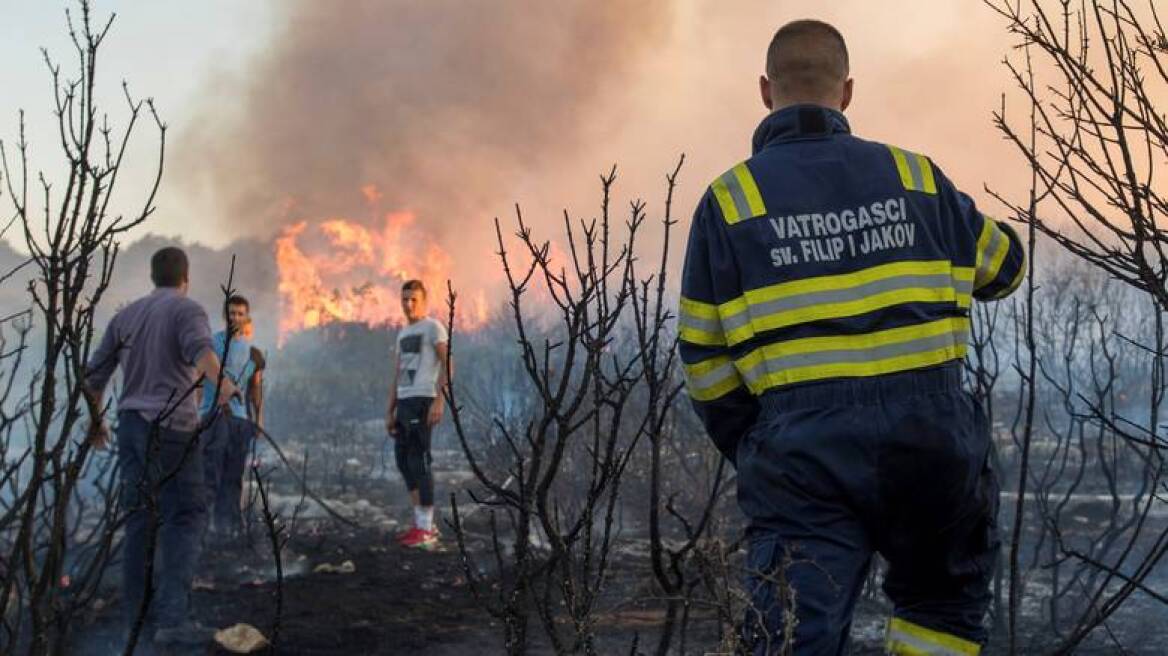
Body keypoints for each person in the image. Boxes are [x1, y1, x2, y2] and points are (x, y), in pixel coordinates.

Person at [677, 20, 1025, 655]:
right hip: (933, 447)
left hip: (804, 459)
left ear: (764, 91)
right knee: (941, 616)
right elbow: (1005, 268)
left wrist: (757, 444)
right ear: (848, 92)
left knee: (791, 635)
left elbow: (704, 358)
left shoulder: (730, 202)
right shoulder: (917, 178)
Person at [84, 247, 238, 646]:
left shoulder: (127, 315)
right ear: (184, 279)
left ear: (154, 277)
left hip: (131, 427)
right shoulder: (187, 311)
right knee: (186, 514)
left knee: (139, 520)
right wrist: (222, 386)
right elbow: (201, 353)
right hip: (170, 429)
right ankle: (172, 618)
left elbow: (93, 376)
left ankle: (135, 622)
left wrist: (96, 421)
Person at [385, 280, 450, 550]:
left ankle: (426, 530)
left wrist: (439, 400)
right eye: (404, 299)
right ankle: (421, 524)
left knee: (419, 460)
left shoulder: (433, 327)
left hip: (423, 399)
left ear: (424, 300)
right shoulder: (403, 333)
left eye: (414, 299)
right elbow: (397, 373)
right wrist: (390, 410)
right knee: (403, 461)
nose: (408, 304)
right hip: (405, 401)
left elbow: (448, 363)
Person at [198, 295, 264, 543]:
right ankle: (202, 532)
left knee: (234, 476)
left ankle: (228, 530)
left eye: (240, 313)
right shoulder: (211, 345)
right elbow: (198, 378)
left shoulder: (252, 353)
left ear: (247, 317)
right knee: (210, 474)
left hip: (240, 421)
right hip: (213, 417)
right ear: (225, 315)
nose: (235, 317)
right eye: (232, 313)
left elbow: (256, 389)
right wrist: (195, 415)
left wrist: (259, 419)